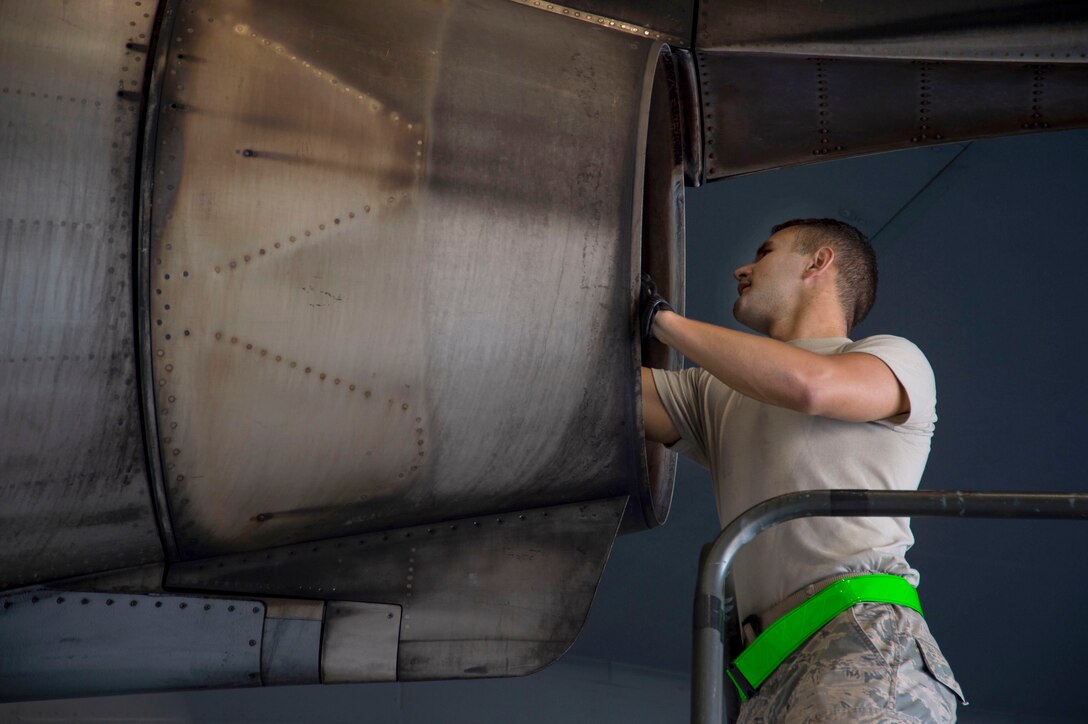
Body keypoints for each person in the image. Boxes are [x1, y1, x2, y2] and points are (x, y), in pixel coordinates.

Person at [640, 218, 967, 722]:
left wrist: (662, 322)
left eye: (765, 252)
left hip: (860, 635)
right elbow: (603, 391)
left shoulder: (890, 358)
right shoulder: (714, 393)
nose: (741, 269)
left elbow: (811, 387)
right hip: (764, 675)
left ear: (818, 262)